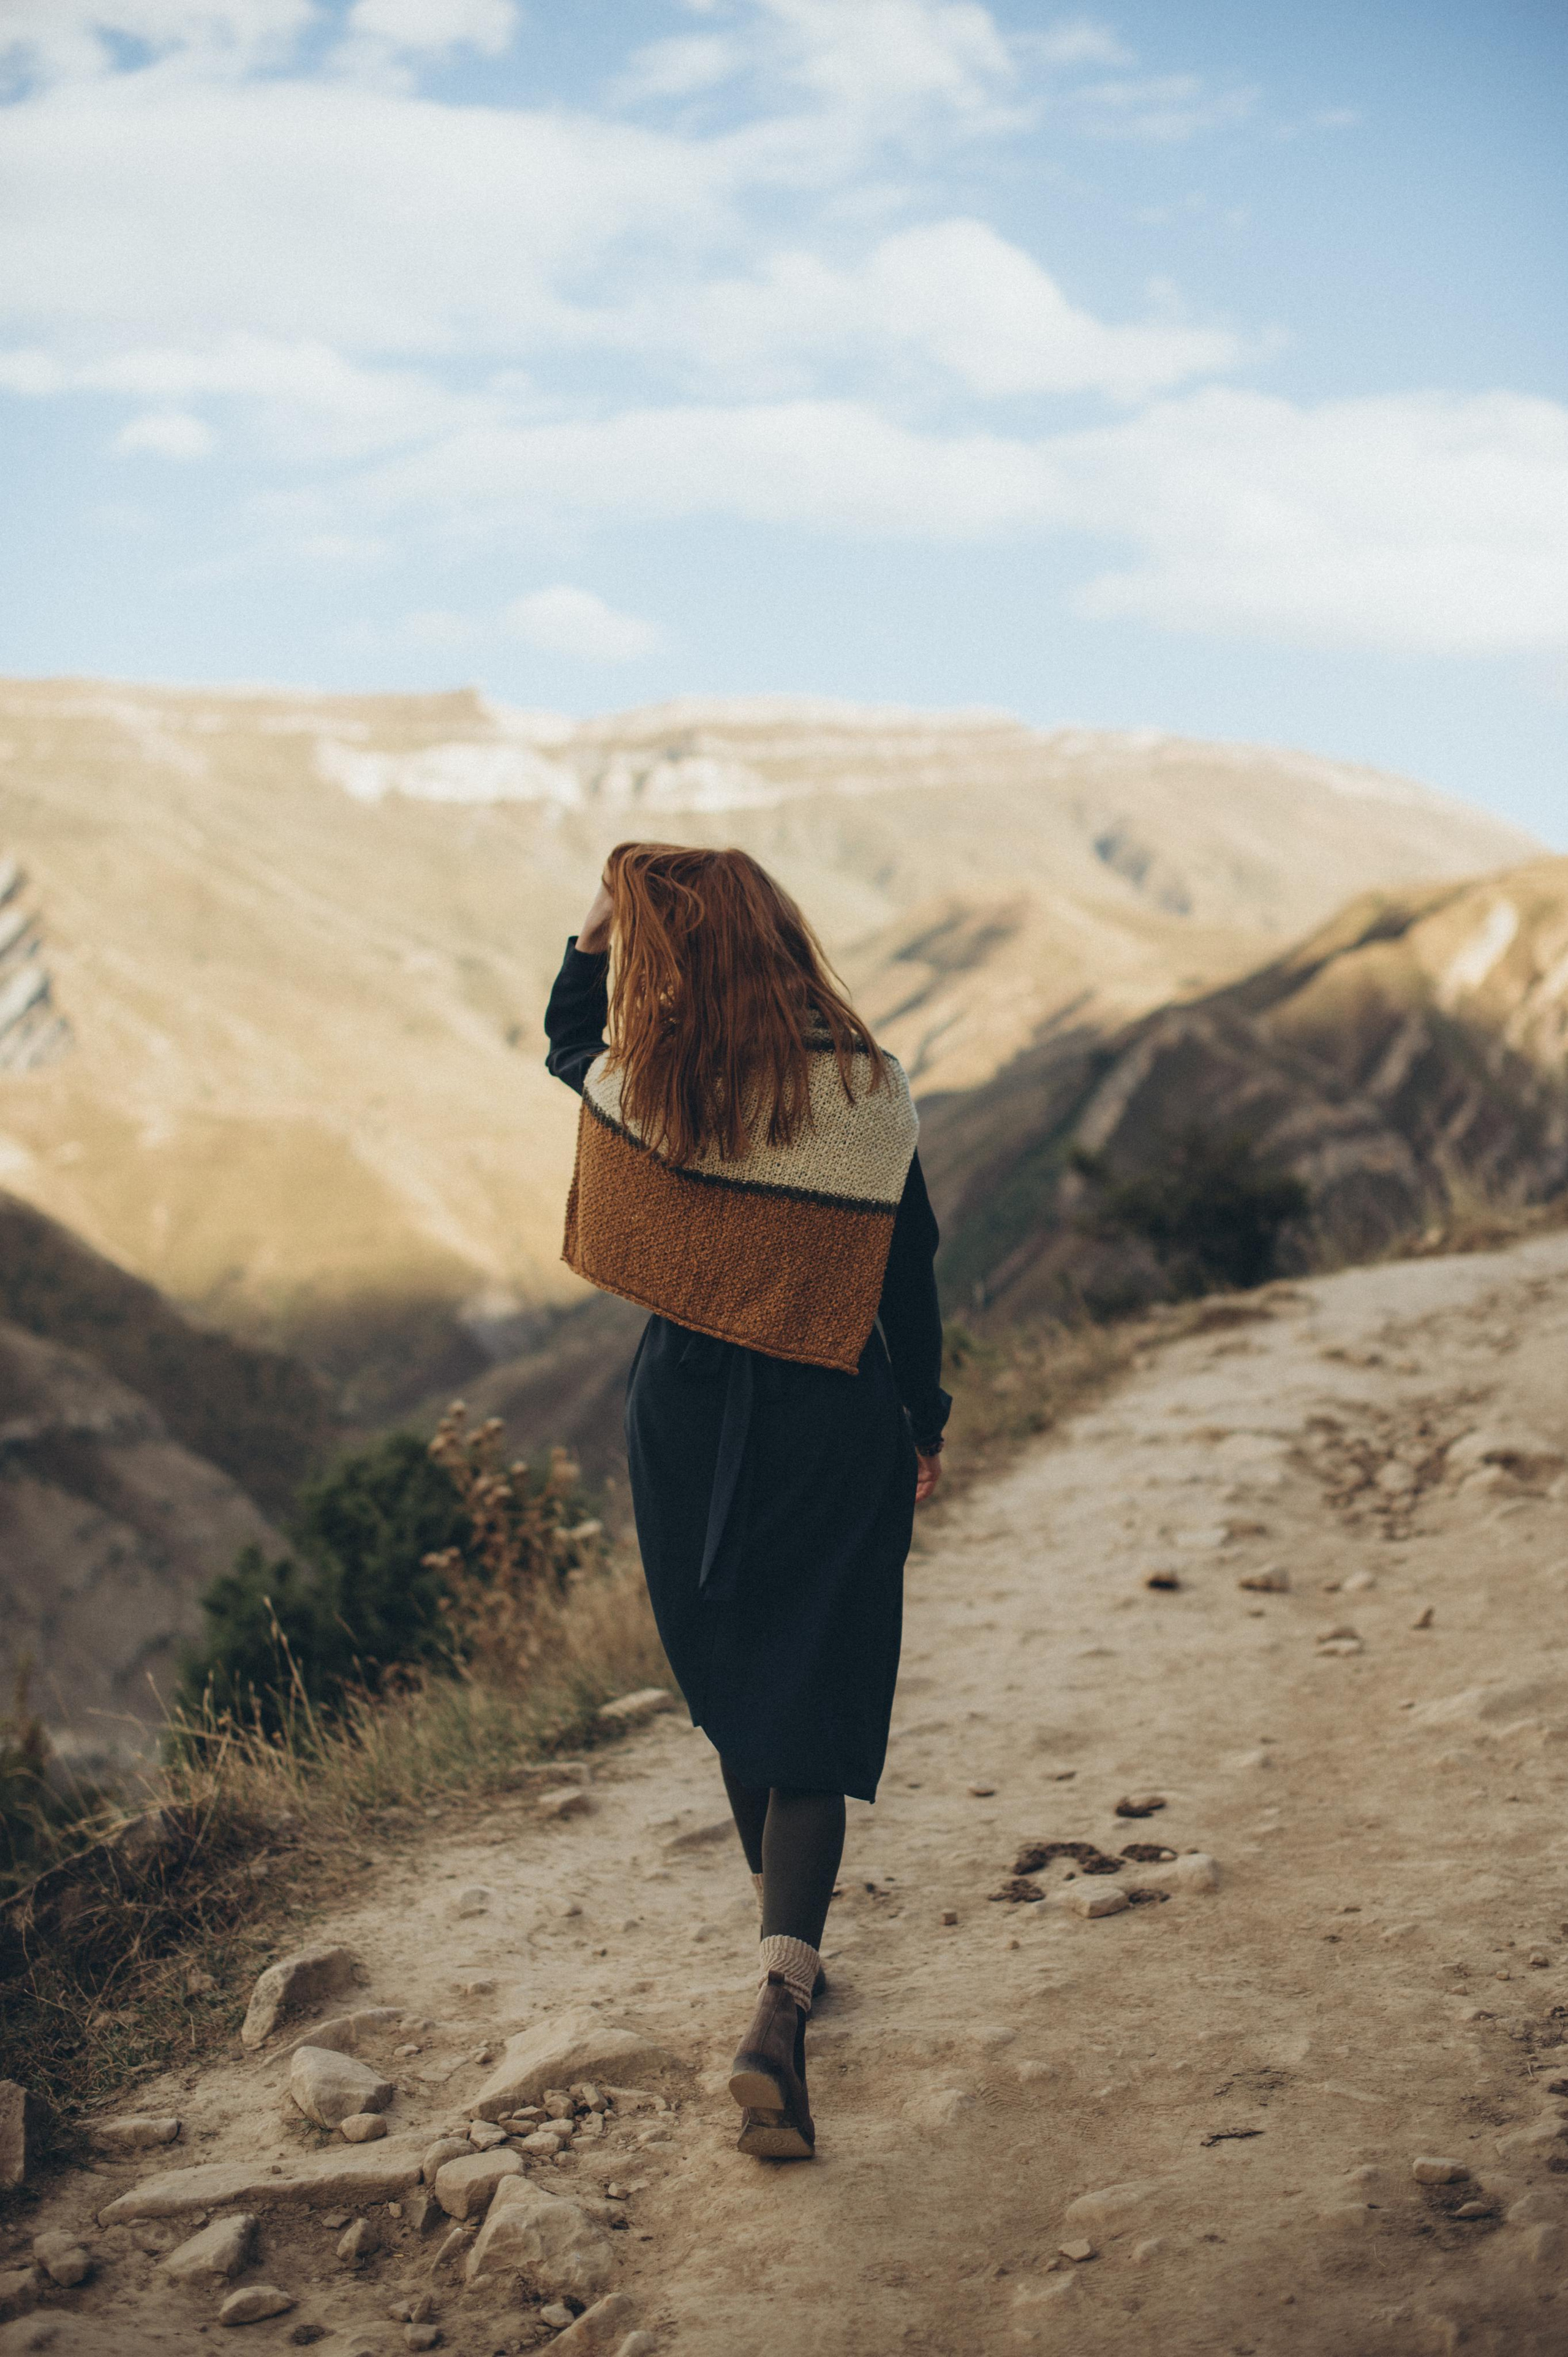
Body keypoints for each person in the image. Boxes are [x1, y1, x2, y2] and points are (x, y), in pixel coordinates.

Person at [543, 841, 949, 2162]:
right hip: (831, 1414)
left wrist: (601, 926)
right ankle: (781, 1995)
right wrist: (923, 1421)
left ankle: (783, 1952)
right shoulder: (867, 1093)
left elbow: (562, 1042)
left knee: (733, 1683)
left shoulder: (654, 1085)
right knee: (813, 1697)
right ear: (783, 938)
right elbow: (911, 1272)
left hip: (684, 1419)